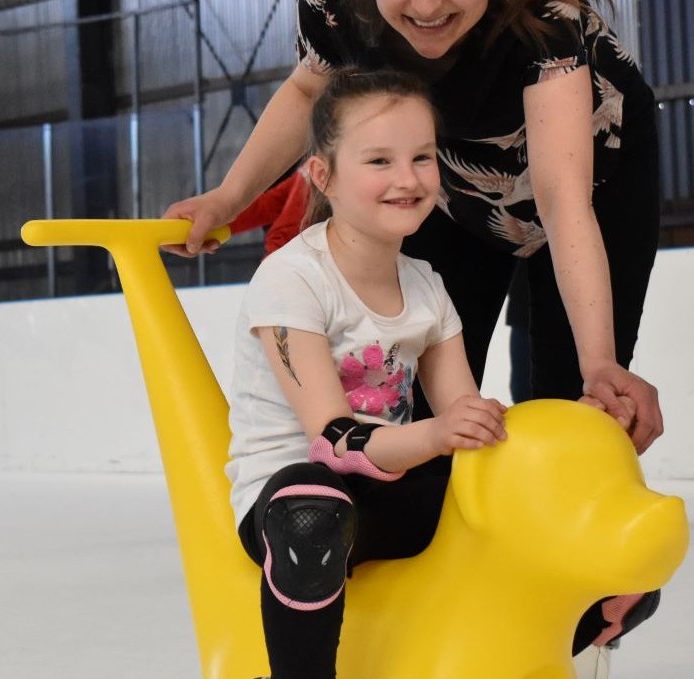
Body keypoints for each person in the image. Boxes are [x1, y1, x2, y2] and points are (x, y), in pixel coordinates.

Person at [229, 70, 637, 679]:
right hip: (291, 497)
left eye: (422, 157)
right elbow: (335, 439)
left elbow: (465, 423)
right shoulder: (293, 279)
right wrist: (439, 434)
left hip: (387, 489)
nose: (407, 178)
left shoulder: (425, 285)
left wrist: (568, 460)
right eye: (379, 160)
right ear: (324, 175)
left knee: (589, 557)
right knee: (313, 509)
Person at [163, 0, 663, 453]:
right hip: (455, 184)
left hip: (596, 181)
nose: (427, 8)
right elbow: (307, 86)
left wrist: (599, 363)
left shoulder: (545, 15)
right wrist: (228, 197)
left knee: (577, 399)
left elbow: (562, 201)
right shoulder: (334, 6)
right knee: (419, 409)